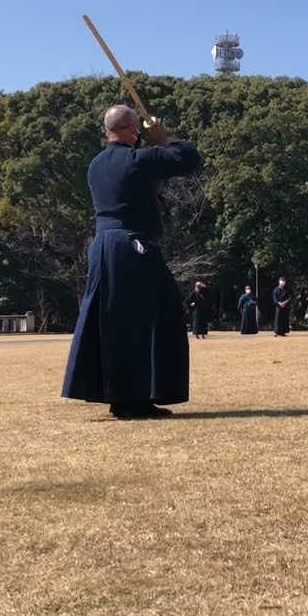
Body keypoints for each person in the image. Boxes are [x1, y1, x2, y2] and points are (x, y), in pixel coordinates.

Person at [62, 106, 201, 420]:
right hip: (133, 247)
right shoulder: (138, 160)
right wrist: (162, 140)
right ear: (131, 131)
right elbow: (189, 158)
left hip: (102, 246)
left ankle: (123, 395)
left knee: (113, 322)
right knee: (151, 318)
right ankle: (136, 397)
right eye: (137, 129)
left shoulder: (95, 165)